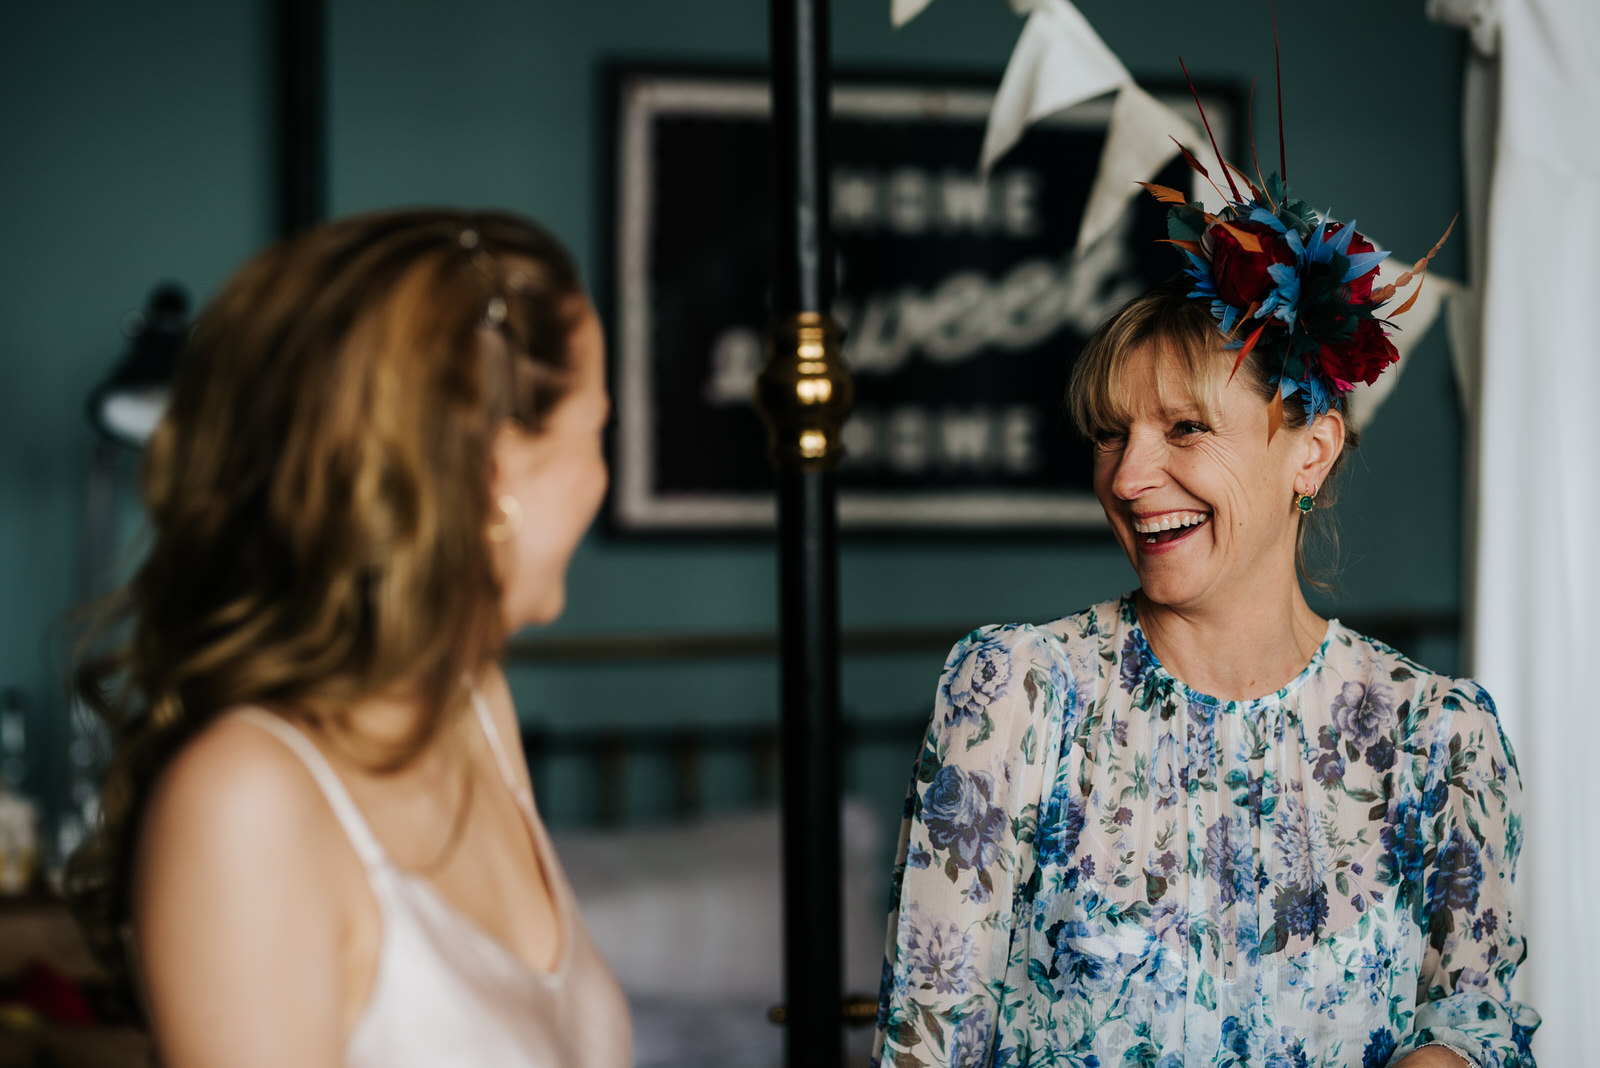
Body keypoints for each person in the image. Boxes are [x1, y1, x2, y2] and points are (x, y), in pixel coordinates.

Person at [871, 159, 1539, 1063]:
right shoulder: (1018, 698)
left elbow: (1479, 1020)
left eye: (1184, 429)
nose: (1128, 477)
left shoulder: (1439, 739)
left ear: (1312, 452)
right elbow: (926, 1044)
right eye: (1112, 434)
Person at [68, 209, 629, 1067]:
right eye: (595, 431)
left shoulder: (475, 710)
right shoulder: (245, 799)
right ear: (497, 470)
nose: (602, 477)